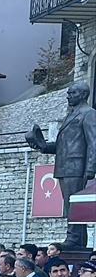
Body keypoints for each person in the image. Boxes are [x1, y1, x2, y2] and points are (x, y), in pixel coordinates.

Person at [26, 81, 96, 248]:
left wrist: (91, 168)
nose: (68, 96)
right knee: (69, 204)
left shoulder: (89, 113)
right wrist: (43, 146)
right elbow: (62, 146)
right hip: (65, 166)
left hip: (76, 166)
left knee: (73, 204)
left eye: (73, 93)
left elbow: (93, 142)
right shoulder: (71, 114)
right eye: (69, 93)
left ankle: (73, 239)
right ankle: (77, 240)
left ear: (83, 95)